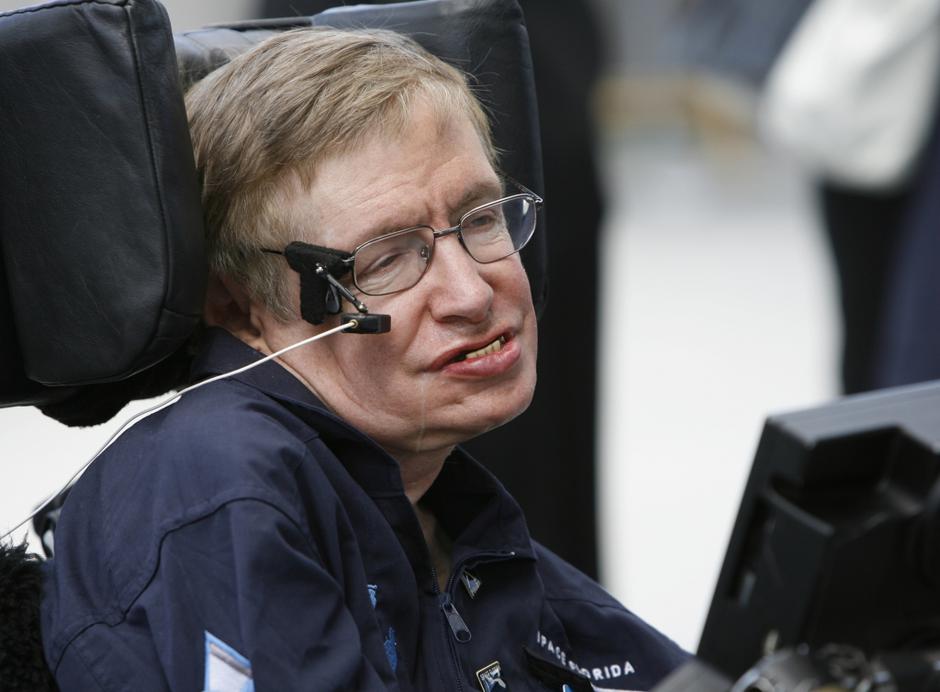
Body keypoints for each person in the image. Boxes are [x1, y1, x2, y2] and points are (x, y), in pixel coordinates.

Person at [40, 27, 687, 690]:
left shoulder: (438, 506)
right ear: (237, 308)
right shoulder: (224, 481)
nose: (471, 294)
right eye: (386, 260)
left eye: (481, 218)